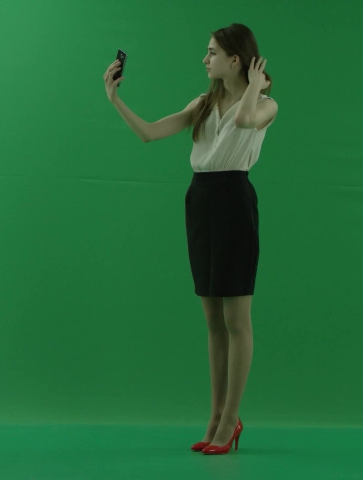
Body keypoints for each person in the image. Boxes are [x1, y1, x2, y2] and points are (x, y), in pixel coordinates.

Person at [103, 23, 278, 456]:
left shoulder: (267, 104)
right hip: (200, 202)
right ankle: (216, 416)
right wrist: (115, 98)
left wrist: (255, 87)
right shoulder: (202, 103)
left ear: (235, 60)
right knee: (213, 323)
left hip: (235, 201)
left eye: (212, 52)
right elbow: (150, 132)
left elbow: (244, 119)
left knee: (237, 319)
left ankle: (229, 420)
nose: (205, 59)